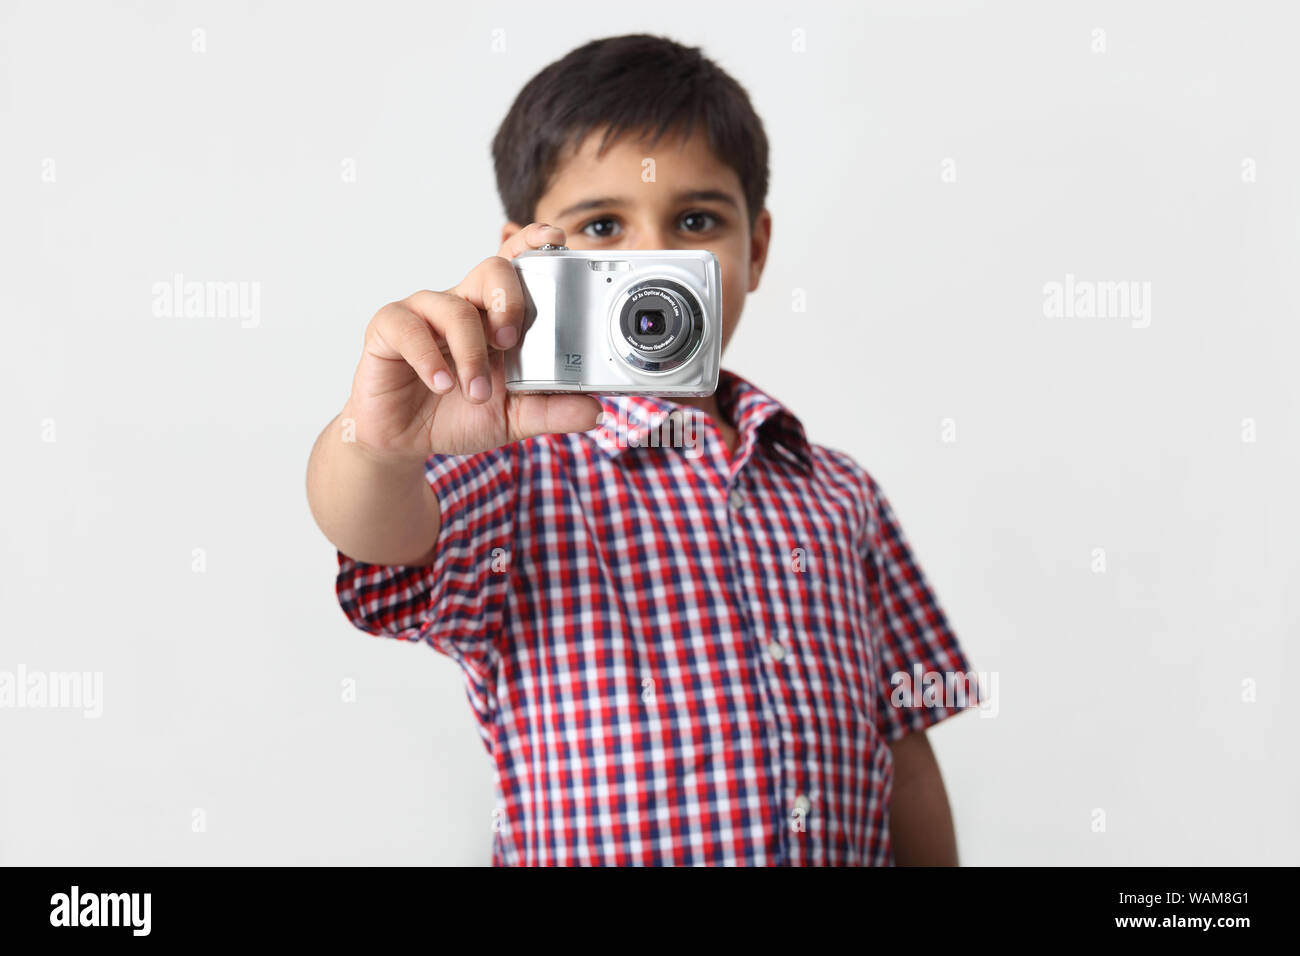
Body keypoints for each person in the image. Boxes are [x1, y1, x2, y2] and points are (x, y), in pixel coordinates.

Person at [306, 33, 981, 865]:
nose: (656, 260)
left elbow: (905, 749)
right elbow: (377, 532)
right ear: (527, 261)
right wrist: (378, 445)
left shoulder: (840, 492)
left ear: (756, 249)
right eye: (601, 225)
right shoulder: (519, 472)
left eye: (696, 220)